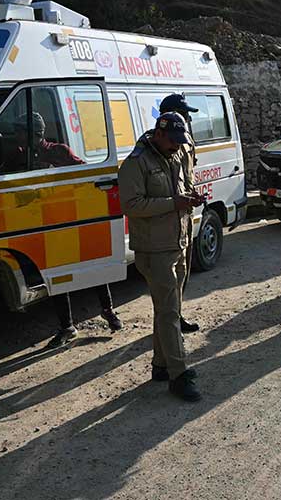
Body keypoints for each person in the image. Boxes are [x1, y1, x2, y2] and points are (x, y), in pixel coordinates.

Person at [3, 113, 123, 346]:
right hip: (43, 225)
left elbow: (88, 174)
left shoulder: (59, 152)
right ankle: (67, 326)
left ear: (33, 133)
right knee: (57, 276)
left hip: (71, 219)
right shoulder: (17, 158)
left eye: (20, 131)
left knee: (93, 264)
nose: (16, 136)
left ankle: (108, 310)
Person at [118, 112, 206, 401]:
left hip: (177, 241)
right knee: (170, 312)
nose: (177, 146)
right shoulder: (136, 162)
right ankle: (179, 374)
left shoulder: (177, 152)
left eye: (180, 142)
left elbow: (181, 187)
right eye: (172, 141)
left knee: (167, 308)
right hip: (154, 249)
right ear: (159, 133)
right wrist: (174, 203)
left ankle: (160, 364)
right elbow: (131, 205)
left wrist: (190, 197)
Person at [158, 93, 201, 334]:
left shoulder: (185, 139)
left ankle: (178, 314)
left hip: (185, 210)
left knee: (183, 269)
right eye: (184, 114)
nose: (188, 119)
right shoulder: (163, 141)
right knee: (170, 275)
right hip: (170, 212)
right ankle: (169, 321)